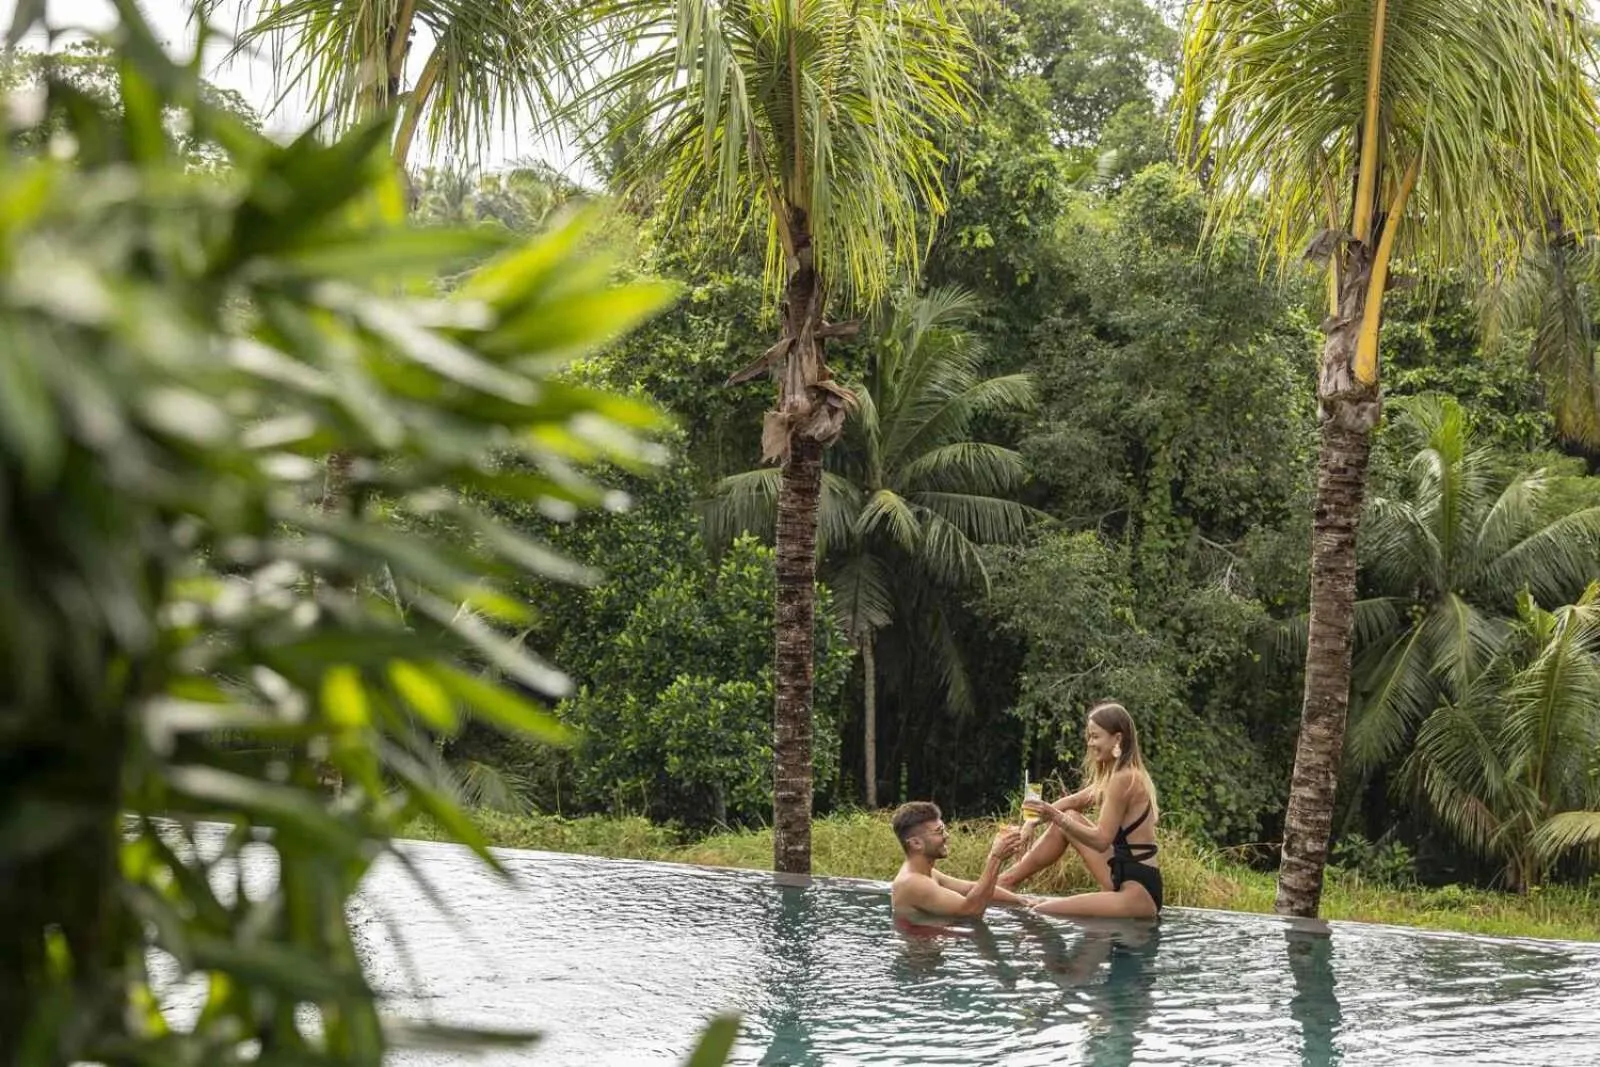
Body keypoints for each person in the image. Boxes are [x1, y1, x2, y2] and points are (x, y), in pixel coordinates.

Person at [1009, 701, 1163, 918]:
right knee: (1070, 817)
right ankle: (1006, 882)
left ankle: (1004, 883)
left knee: (1040, 910)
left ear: (1117, 739)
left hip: (1138, 890)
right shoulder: (1114, 776)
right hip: (1120, 873)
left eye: (1096, 736)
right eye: (1089, 737)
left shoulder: (1124, 779)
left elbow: (1101, 840)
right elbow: (1070, 803)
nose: (1090, 743)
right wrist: (1031, 822)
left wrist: (1054, 816)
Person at [889, 801, 1030, 921]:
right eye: (939, 831)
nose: (947, 835)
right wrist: (995, 858)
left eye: (944, 829)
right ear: (915, 843)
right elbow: (971, 911)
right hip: (924, 953)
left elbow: (970, 888)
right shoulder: (912, 883)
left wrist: (1024, 902)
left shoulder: (926, 873)